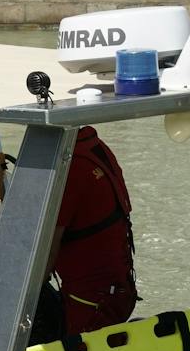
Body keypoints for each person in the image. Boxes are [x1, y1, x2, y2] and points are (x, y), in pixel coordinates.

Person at [47, 126, 137, 336]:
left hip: (92, 302)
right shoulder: (94, 146)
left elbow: (45, 258)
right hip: (119, 290)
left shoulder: (70, 168)